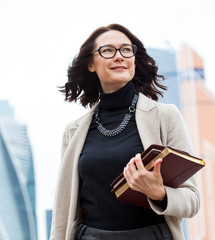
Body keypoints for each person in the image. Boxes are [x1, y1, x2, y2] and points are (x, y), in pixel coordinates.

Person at [50, 24, 200, 240]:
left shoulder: (165, 117)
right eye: (108, 50)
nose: (119, 56)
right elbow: (63, 210)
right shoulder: (73, 132)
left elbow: (193, 201)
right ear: (91, 64)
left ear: (134, 60)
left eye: (126, 50)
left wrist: (159, 193)